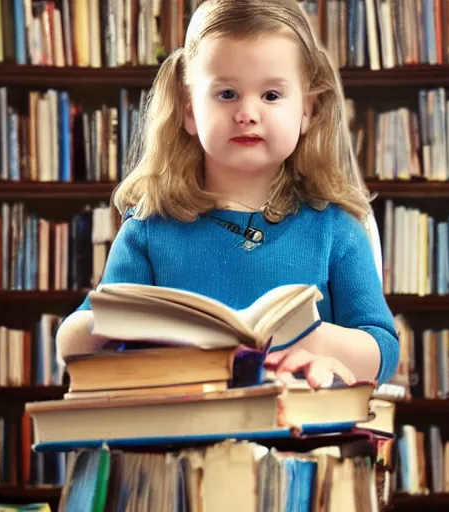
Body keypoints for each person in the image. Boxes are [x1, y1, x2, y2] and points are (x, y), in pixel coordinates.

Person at [56, 0, 399, 389]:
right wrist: (107, 327)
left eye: (271, 95)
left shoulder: (336, 228)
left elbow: (383, 348)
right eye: (227, 94)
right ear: (189, 111)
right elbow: (73, 341)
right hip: (179, 435)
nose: (247, 113)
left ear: (308, 110)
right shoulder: (149, 230)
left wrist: (319, 342)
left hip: (300, 434)